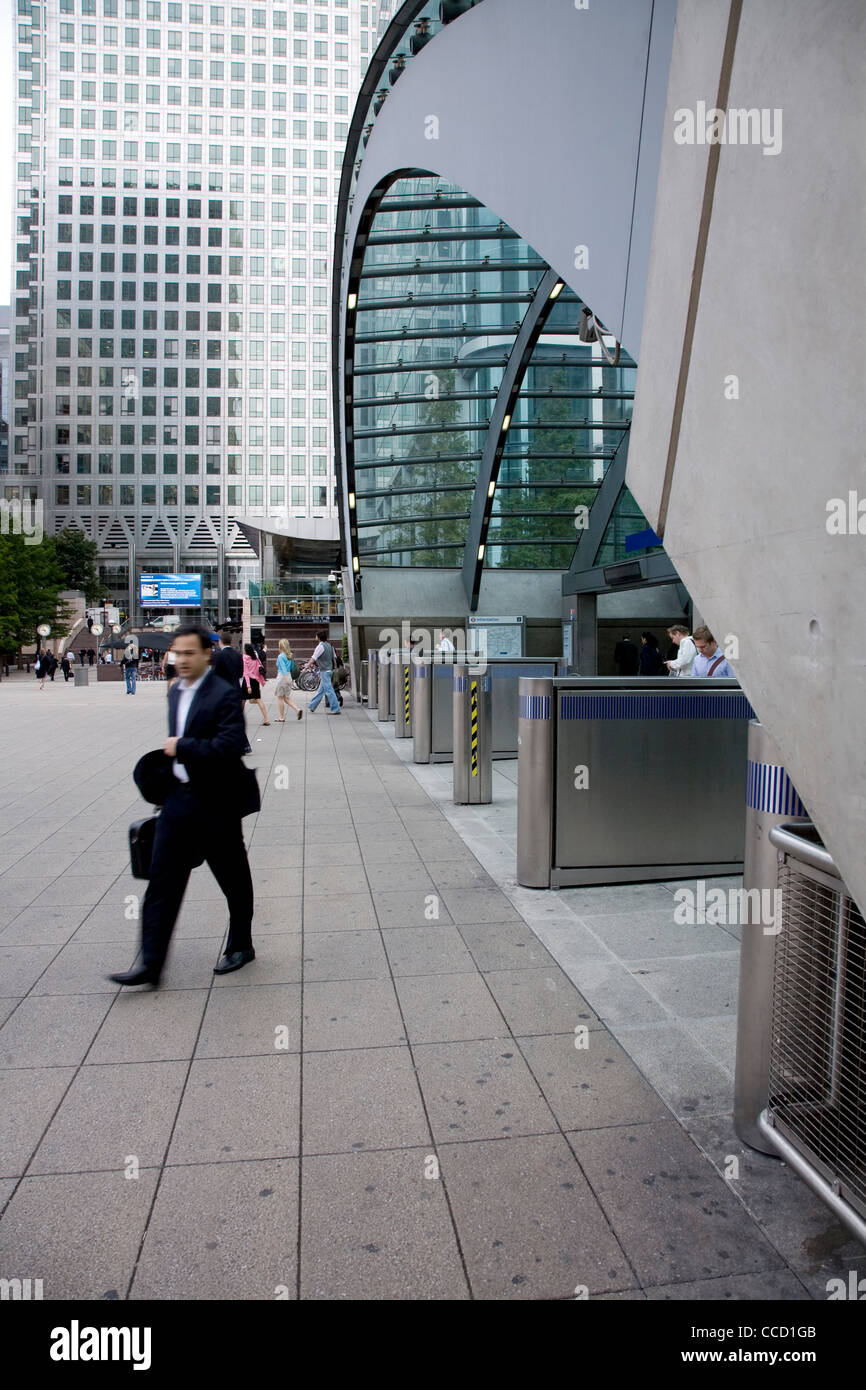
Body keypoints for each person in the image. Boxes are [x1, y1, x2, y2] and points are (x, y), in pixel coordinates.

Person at [108, 626, 256, 987]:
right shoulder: (175, 692)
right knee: (161, 883)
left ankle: (241, 945)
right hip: (177, 803)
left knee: (233, 881)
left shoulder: (222, 693)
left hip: (216, 805)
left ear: (207, 653)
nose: (182, 660)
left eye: (190, 653)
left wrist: (183, 747)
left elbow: (232, 745)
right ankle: (151, 964)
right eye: (178, 653)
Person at [211, 634, 250, 752]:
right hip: (236, 689)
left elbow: (216, 675)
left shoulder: (219, 655)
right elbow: (240, 673)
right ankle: (244, 744)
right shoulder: (238, 655)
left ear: (220, 642)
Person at [303, 629, 341, 715]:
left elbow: (313, 658)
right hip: (329, 670)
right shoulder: (329, 646)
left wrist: (306, 667)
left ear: (319, 637)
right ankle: (312, 706)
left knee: (329, 691)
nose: (315, 637)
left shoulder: (320, 646)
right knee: (321, 690)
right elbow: (334, 657)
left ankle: (336, 709)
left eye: (316, 635)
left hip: (325, 671)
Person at [241, 642, 270, 725]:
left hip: (248, 681)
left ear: (246, 650)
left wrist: (248, 686)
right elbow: (258, 670)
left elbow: (246, 673)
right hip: (255, 681)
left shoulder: (244, 658)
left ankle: (239, 719)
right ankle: (266, 719)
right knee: (258, 699)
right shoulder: (255, 658)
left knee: (242, 700)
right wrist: (260, 681)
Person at [274, 638, 302, 722]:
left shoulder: (280, 656)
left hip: (282, 678)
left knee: (279, 698)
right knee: (286, 698)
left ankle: (282, 717)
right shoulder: (290, 655)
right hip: (289, 677)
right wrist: (289, 680)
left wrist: (285, 679)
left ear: (281, 646)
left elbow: (283, 669)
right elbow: (292, 668)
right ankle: (297, 710)